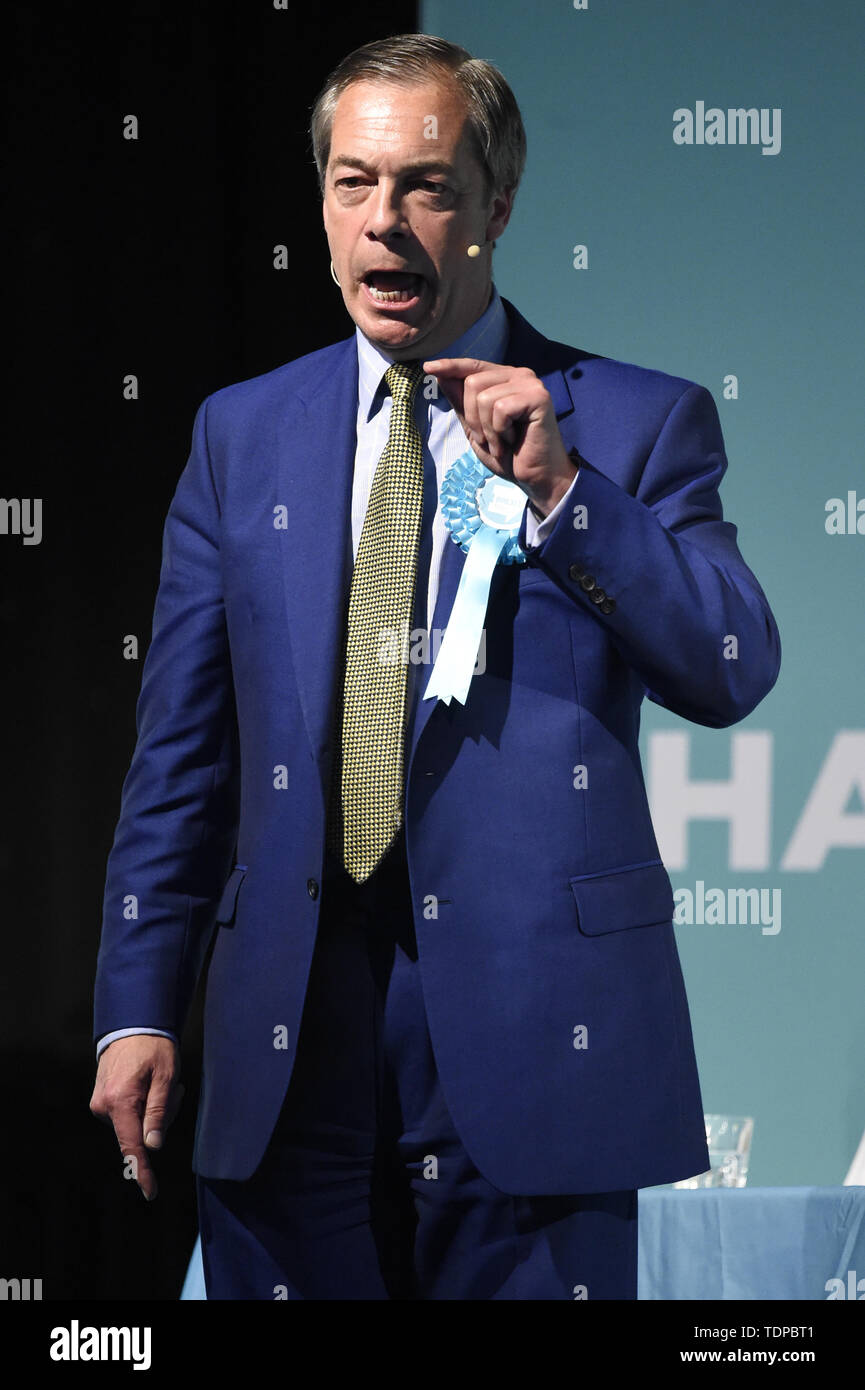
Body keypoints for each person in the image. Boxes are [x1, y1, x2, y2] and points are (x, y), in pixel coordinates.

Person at [90, 33, 781, 1300]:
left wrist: (566, 490)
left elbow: (730, 662)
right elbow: (181, 757)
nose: (384, 225)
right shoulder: (241, 433)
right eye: (352, 185)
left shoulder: (633, 419)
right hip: (287, 1043)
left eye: (425, 187)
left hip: (537, 1040)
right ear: (321, 204)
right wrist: (136, 1005)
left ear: (496, 206)